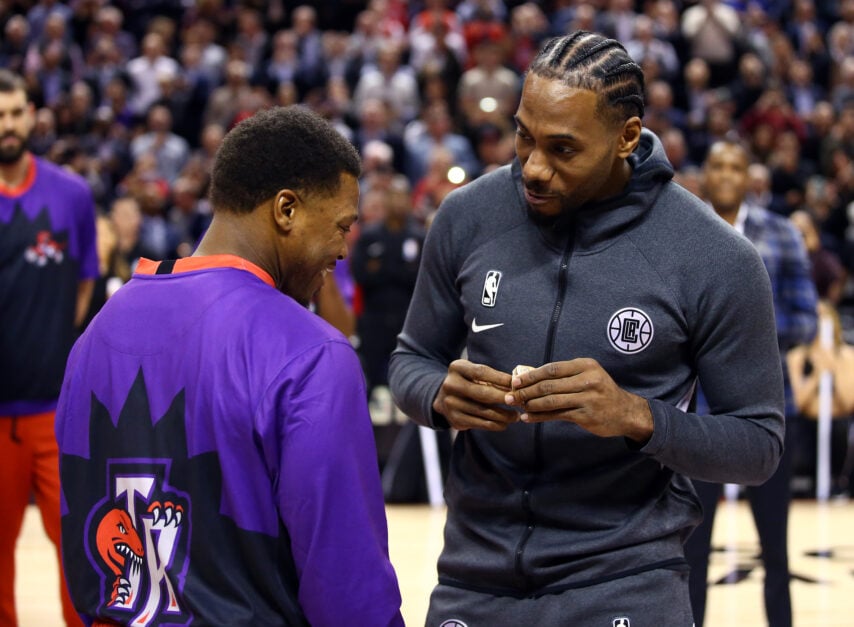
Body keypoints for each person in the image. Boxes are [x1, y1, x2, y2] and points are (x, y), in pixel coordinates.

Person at [388, 31, 785, 625]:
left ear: (626, 138)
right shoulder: (467, 216)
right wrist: (438, 395)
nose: (535, 168)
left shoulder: (714, 257)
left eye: (563, 148)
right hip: (473, 577)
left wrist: (636, 417)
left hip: (626, 580)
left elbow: (758, 446)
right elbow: (410, 359)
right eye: (524, 135)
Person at [55, 106, 404, 626]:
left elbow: (81, 552)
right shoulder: (311, 354)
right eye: (340, 227)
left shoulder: (93, 338)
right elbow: (349, 592)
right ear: (286, 209)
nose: (340, 251)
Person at [684, 139, 818, 627]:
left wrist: (745, 329)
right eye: (716, 165)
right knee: (691, 553)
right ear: (705, 174)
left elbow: (806, 320)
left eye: (734, 166)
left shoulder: (781, 234)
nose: (724, 174)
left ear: (749, 178)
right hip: (696, 419)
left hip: (767, 411)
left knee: (776, 552)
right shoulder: (683, 233)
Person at [0, 69, 96, 627]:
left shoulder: (71, 195)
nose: (8, 126)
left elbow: (84, 282)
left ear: (32, 113)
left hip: (57, 412)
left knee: (81, 555)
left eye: (15, 112)